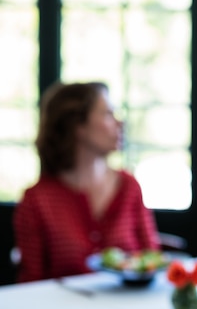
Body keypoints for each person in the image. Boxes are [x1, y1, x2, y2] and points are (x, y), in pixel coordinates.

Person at [13, 82, 160, 282]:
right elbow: (30, 284)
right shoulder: (37, 200)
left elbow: (152, 261)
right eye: (108, 114)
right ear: (77, 126)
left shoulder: (129, 186)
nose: (120, 123)